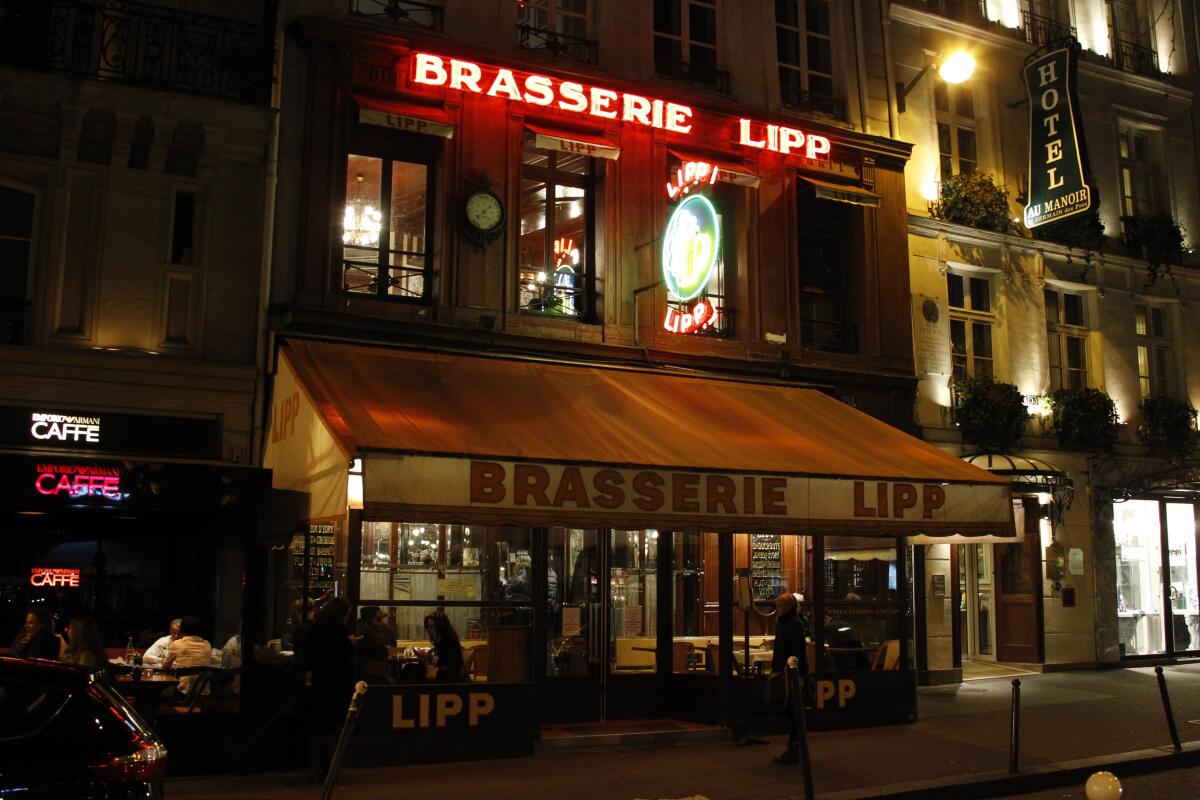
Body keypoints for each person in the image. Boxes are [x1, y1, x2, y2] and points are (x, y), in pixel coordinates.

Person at [296, 598, 359, 781]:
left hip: (318, 682)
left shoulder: (314, 628)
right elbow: (334, 655)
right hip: (333, 683)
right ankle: (328, 767)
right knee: (330, 725)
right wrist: (349, 644)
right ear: (340, 614)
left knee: (317, 724)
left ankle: (318, 767)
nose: (347, 619)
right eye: (346, 615)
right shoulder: (336, 631)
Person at [770, 592, 810, 766]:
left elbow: (798, 651)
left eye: (778, 606)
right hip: (787, 672)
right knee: (792, 712)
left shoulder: (793, 624)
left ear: (786, 607)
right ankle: (794, 749)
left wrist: (795, 671)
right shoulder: (788, 623)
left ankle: (794, 750)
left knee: (793, 712)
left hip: (790, 674)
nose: (776, 609)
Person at [164, 617, 213, 695]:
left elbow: (166, 665)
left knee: (160, 692)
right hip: (203, 691)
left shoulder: (177, 644)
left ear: (181, 630)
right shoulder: (207, 644)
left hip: (183, 690)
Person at [424, 612, 464, 682]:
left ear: (440, 626)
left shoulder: (449, 639)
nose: (429, 630)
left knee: (411, 671)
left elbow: (448, 663)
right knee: (411, 668)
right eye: (428, 627)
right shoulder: (440, 638)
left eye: (432, 626)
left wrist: (429, 657)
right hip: (442, 671)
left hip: (449, 674)